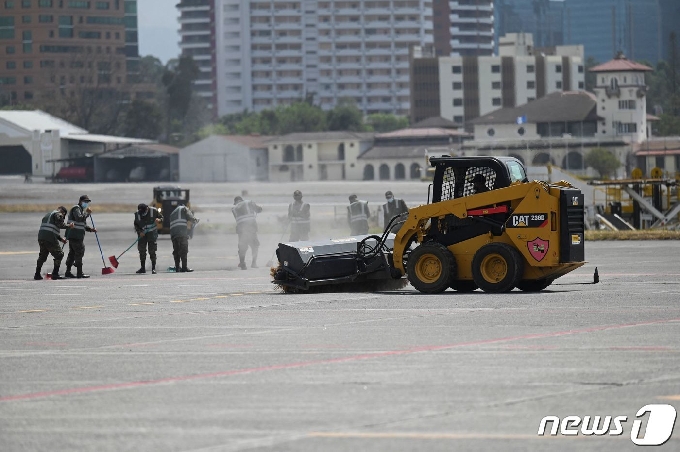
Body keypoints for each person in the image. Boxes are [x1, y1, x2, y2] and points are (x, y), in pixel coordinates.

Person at [35, 206, 74, 280]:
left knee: (42, 255)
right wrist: (69, 226)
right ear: (63, 212)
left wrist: (61, 239)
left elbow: (51, 228)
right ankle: (55, 274)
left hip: (41, 237)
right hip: (50, 238)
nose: (62, 217)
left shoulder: (48, 215)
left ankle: (37, 274)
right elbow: (60, 225)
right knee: (59, 254)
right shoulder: (58, 214)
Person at [64, 195, 97, 279]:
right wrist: (87, 214)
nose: (86, 204)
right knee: (80, 251)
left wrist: (90, 229)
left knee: (72, 253)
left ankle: (68, 271)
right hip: (74, 235)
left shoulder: (81, 210)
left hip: (75, 235)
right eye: (85, 202)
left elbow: (82, 224)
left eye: (87, 202)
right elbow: (79, 219)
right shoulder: (76, 208)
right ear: (80, 201)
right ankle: (79, 272)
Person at [232, 195, 262, 270]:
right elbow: (258, 210)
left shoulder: (234, 209)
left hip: (241, 230)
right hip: (251, 227)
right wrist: (260, 209)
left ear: (235, 202)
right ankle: (254, 263)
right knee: (254, 245)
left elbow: (237, 219)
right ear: (241, 200)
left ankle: (242, 263)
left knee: (242, 247)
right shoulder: (249, 202)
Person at [134, 203, 163, 274]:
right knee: (142, 251)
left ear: (147, 208)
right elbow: (136, 225)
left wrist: (159, 220)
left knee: (152, 251)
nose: (143, 214)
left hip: (152, 234)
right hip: (142, 235)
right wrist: (140, 232)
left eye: (144, 212)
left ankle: (153, 268)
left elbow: (162, 218)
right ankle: (142, 268)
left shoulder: (154, 211)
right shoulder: (137, 214)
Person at [169, 204, 198, 272]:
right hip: (181, 233)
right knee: (184, 250)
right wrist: (195, 220)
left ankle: (177, 268)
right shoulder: (184, 208)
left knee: (176, 251)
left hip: (173, 234)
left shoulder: (173, 213)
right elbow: (190, 216)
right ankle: (184, 267)